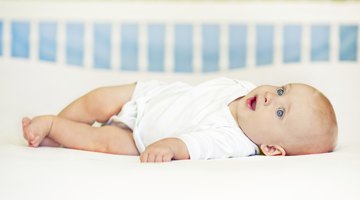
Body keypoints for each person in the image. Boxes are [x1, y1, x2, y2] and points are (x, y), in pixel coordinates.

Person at [21, 77, 338, 162]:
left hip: (141, 137)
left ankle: (52, 127)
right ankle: (62, 123)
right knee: (97, 98)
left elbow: (194, 144)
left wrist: (169, 147)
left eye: (281, 112)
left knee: (100, 142)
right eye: (282, 90)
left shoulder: (233, 140)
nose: (272, 97)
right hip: (149, 95)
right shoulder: (246, 91)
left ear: (271, 148)